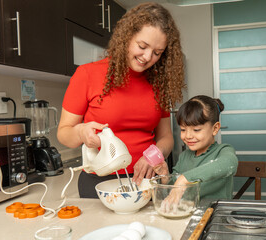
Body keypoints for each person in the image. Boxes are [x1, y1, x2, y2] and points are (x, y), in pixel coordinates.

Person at [57, 2, 185, 198]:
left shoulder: (158, 84)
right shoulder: (87, 74)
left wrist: (154, 156)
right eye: (142, 46)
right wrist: (82, 132)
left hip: (145, 181)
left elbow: (166, 137)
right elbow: (64, 134)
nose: (147, 57)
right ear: (126, 37)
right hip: (98, 181)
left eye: (157, 53)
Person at [152, 95, 238, 210]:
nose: (188, 136)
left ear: (215, 128)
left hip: (214, 217)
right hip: (187, 214)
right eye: (183, 130)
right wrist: (165, 176)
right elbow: (174, 190)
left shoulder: (223, 151)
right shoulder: (184, 156)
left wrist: (184, 179)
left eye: (196, 130)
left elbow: (229, 163)